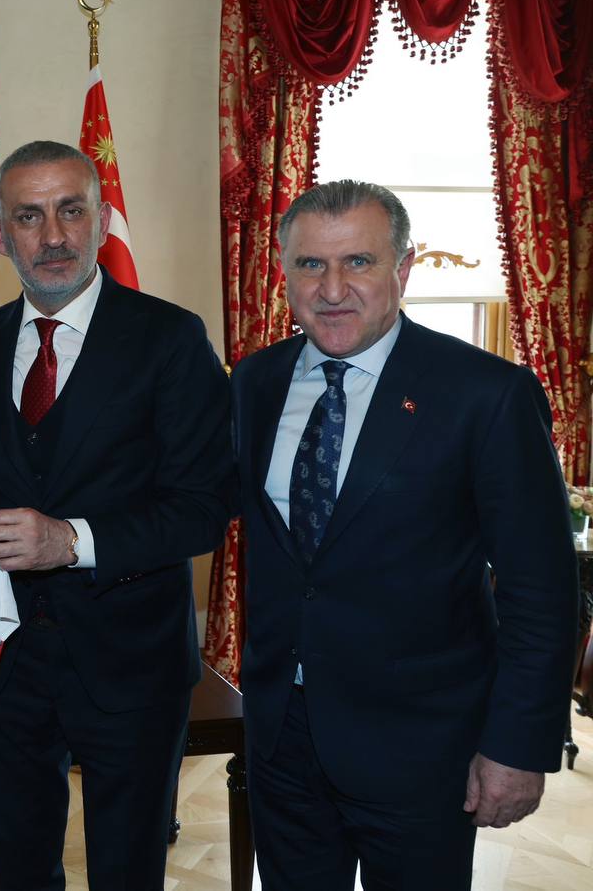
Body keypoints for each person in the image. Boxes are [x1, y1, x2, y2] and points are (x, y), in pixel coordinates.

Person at [232, 179, 577, 890]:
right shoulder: (255, 382)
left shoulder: (487, 393)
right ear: (284, 272)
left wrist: (517, 745)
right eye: (310, 265)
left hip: (423, 749)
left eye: (357, 262)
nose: (332, 289)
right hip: (282, 739)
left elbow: (541, 591)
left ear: (404, 268)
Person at [0, 140, 234, 888]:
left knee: (127, 872)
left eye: (71, 211)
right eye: (29, 216)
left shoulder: (170, 338)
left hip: (133, 664)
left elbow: (203, 508)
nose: (53, 236)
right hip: (5, 663)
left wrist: (71, 542)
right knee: (15, 869)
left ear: (103, 220)